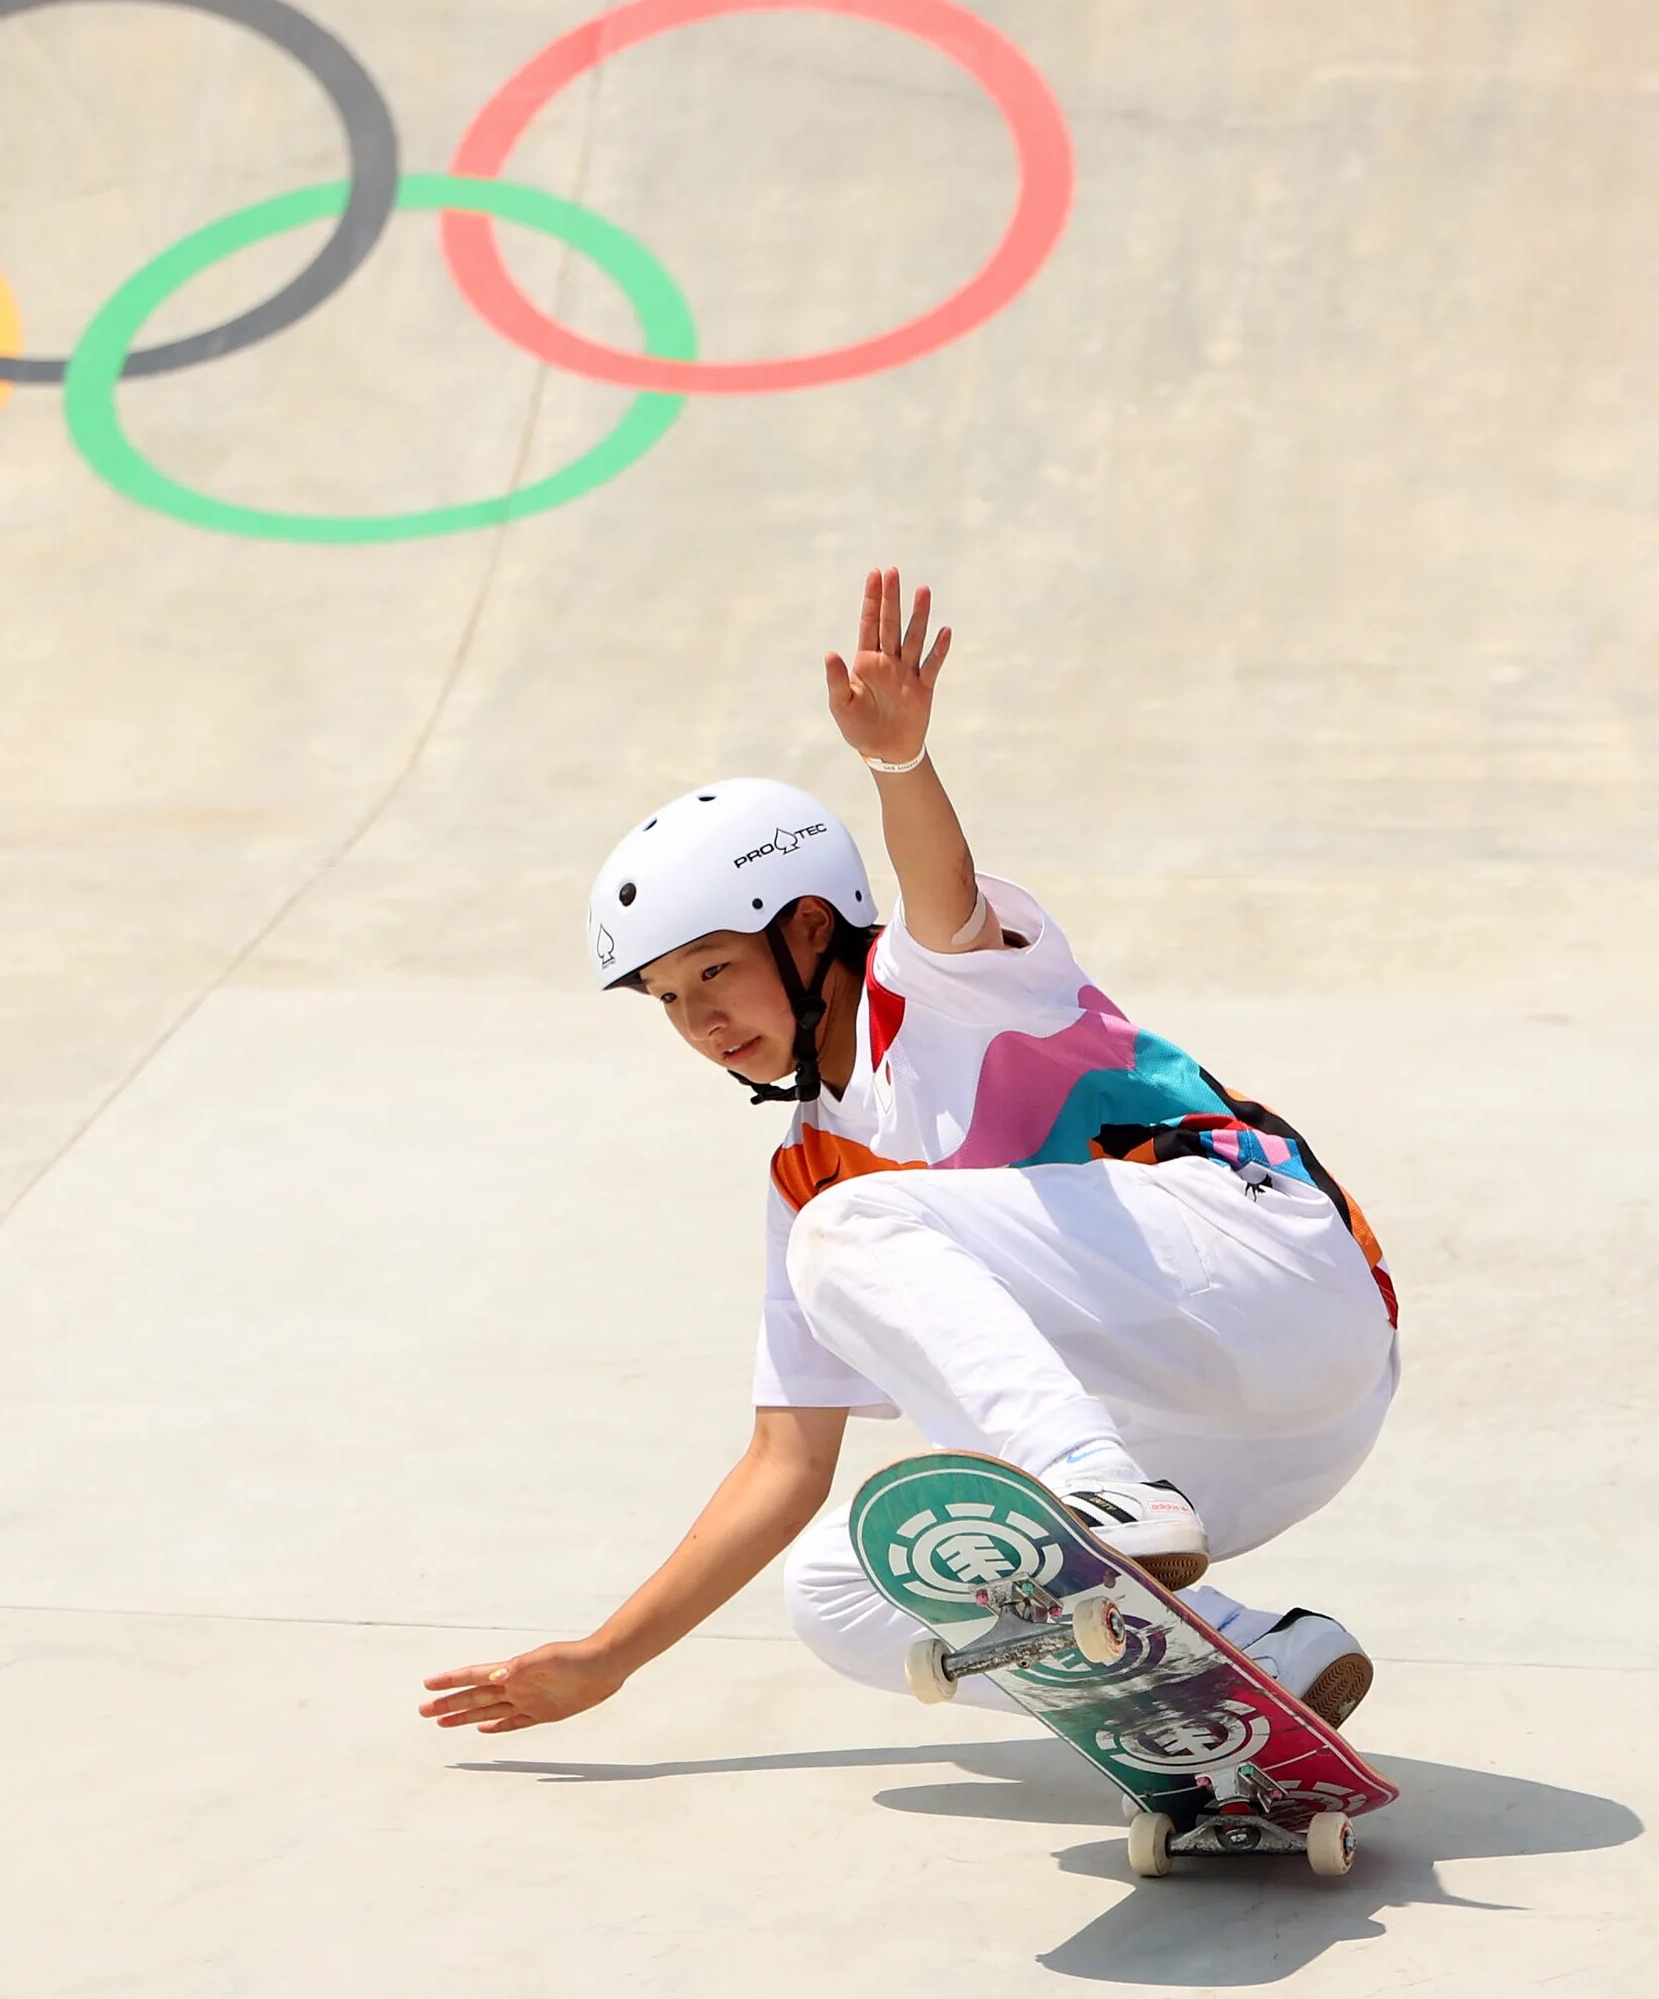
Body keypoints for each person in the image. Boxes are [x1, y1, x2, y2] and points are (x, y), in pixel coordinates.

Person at [421, 568, 1398, 1740]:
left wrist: (899, 763)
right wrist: (606, 1660)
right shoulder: (806, 1172)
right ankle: (1250, 1659)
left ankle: (1097, 1497)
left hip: (1277, 1278)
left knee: (857, 1227)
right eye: (670, 1000)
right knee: (843, 1589)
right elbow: (785, 1463)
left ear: (811, 927)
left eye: (716, 971)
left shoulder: (932, 988)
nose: (700, 1022)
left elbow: (941, 896)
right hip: (1243, 1446)